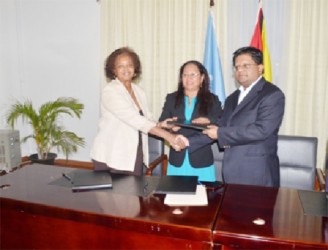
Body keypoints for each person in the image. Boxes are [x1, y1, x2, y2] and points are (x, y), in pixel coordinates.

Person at [189, 46, 285, 187]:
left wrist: (219, 132)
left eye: (245, 66)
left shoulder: (272, 95)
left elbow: (261, 130)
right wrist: (186, 142)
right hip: (231, 171)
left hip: (257, 173)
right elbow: (222, 125)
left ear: (260, 68)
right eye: (237, 67)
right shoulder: (232, 98)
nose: (239, 70)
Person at [90, 47, 186, 176]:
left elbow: (147, 119)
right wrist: (170, 137)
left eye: (129, 65)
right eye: (121, 66)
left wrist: (161, 124)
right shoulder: (110, 91)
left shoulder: (139, 91)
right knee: (114, 195)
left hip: (134, 153)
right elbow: (136, 120)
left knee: (132, 193)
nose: (126, 69)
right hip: (112, 153)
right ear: (114, 70)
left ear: (135, 68)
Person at [157, 60, 223, 182]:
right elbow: (161, 123)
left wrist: (209, 120)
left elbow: (221, 122)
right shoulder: (171, 98)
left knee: (202, 198)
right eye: (185, 75)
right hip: (177, 157)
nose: (188, 78)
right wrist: (170, 127)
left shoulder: (212, 99)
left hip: (201, 159)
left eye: (193, 74)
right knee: (175, 198)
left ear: (202, 77)